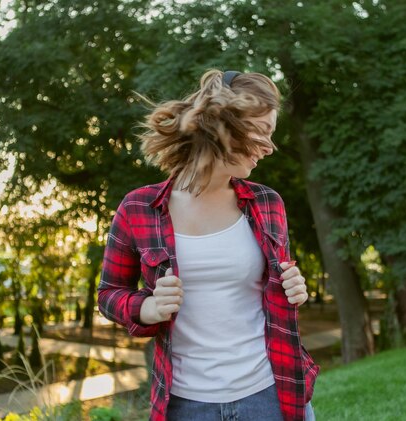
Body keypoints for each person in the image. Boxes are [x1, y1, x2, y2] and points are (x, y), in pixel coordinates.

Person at [98, 69, 319, 421]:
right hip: (186, 404)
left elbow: (279, 283)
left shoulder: (267, 203)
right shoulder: (138, 208)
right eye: (262, 131)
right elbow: (109, 293)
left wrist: (295, 286)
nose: (269, 147)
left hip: (270, 393)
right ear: (223, 126)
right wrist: (148, 308)